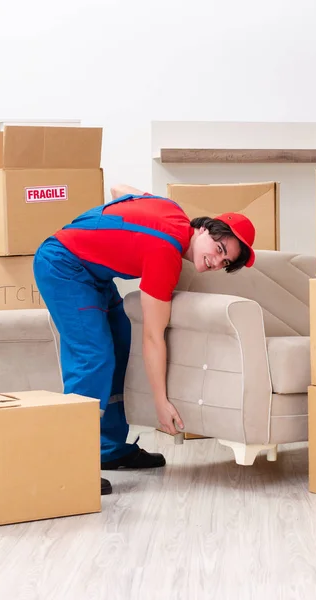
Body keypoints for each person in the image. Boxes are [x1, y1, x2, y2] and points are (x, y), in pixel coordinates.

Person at [33, 184, 256, 496]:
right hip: (63, 265)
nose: (216, 263)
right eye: (219, 250)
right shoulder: (166, 254)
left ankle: (107, 449)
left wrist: (112, 231)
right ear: (205, 227)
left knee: (122, 343)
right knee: (93, 357)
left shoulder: (171, 210)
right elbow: (153, 336)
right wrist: (161, 404)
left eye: (224, 263)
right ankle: (73, 463)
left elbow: (120, 189)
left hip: (91, 273)